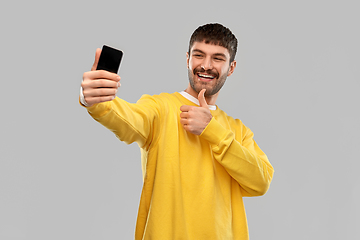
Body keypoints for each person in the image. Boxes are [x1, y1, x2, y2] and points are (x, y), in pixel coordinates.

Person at [80, 23, 274, 240]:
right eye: (199, 55)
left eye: (218, 58)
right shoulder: (160, 107)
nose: (206, 65)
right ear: (188, 59)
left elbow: (261, 181)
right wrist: (95, 100)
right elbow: (128, 120)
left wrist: (212, 130)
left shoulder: (238, 131)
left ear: (231, 67)